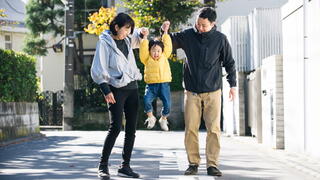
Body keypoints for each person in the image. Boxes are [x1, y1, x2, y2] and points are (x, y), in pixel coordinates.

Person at [161, 7, 237, 177]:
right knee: (191, 129)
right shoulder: (188, 35)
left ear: (213, 24)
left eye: (204, 25)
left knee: (214, 129)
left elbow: (230, 63)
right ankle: (193, 163)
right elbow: (169, 42)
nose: (200, 28)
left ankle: (212, 165)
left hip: (213, 91)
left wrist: (233, 85)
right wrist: (164, 31)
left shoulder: (220, 39)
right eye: (198, 24)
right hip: (192, 91)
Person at [91, 13, 148, 179]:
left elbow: (139, 39)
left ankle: (125, 166)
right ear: (116, 27)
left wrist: (143, 33)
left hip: (132, 88)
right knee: (115, 127)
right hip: (116, 89)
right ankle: (103, 166)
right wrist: (105, 89)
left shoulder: (128, 39)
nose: (129, 31)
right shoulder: (104, 42)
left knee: (131, 128)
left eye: (130, 28)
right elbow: (97, 67)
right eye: (126, 28)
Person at [139, 21, 172, 131]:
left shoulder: (164, 56)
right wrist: (144, 37)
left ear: (162, 51)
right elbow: (143, 50)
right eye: (153, 51)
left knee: (167, 104)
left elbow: (167, 45)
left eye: (158, 51)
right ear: (150, 51)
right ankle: (151, 118)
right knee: (146, 101)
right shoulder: (146, 59)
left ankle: (163, 119)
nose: (156, 53)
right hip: (151, 85)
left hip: (164, 84)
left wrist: (165, 32)